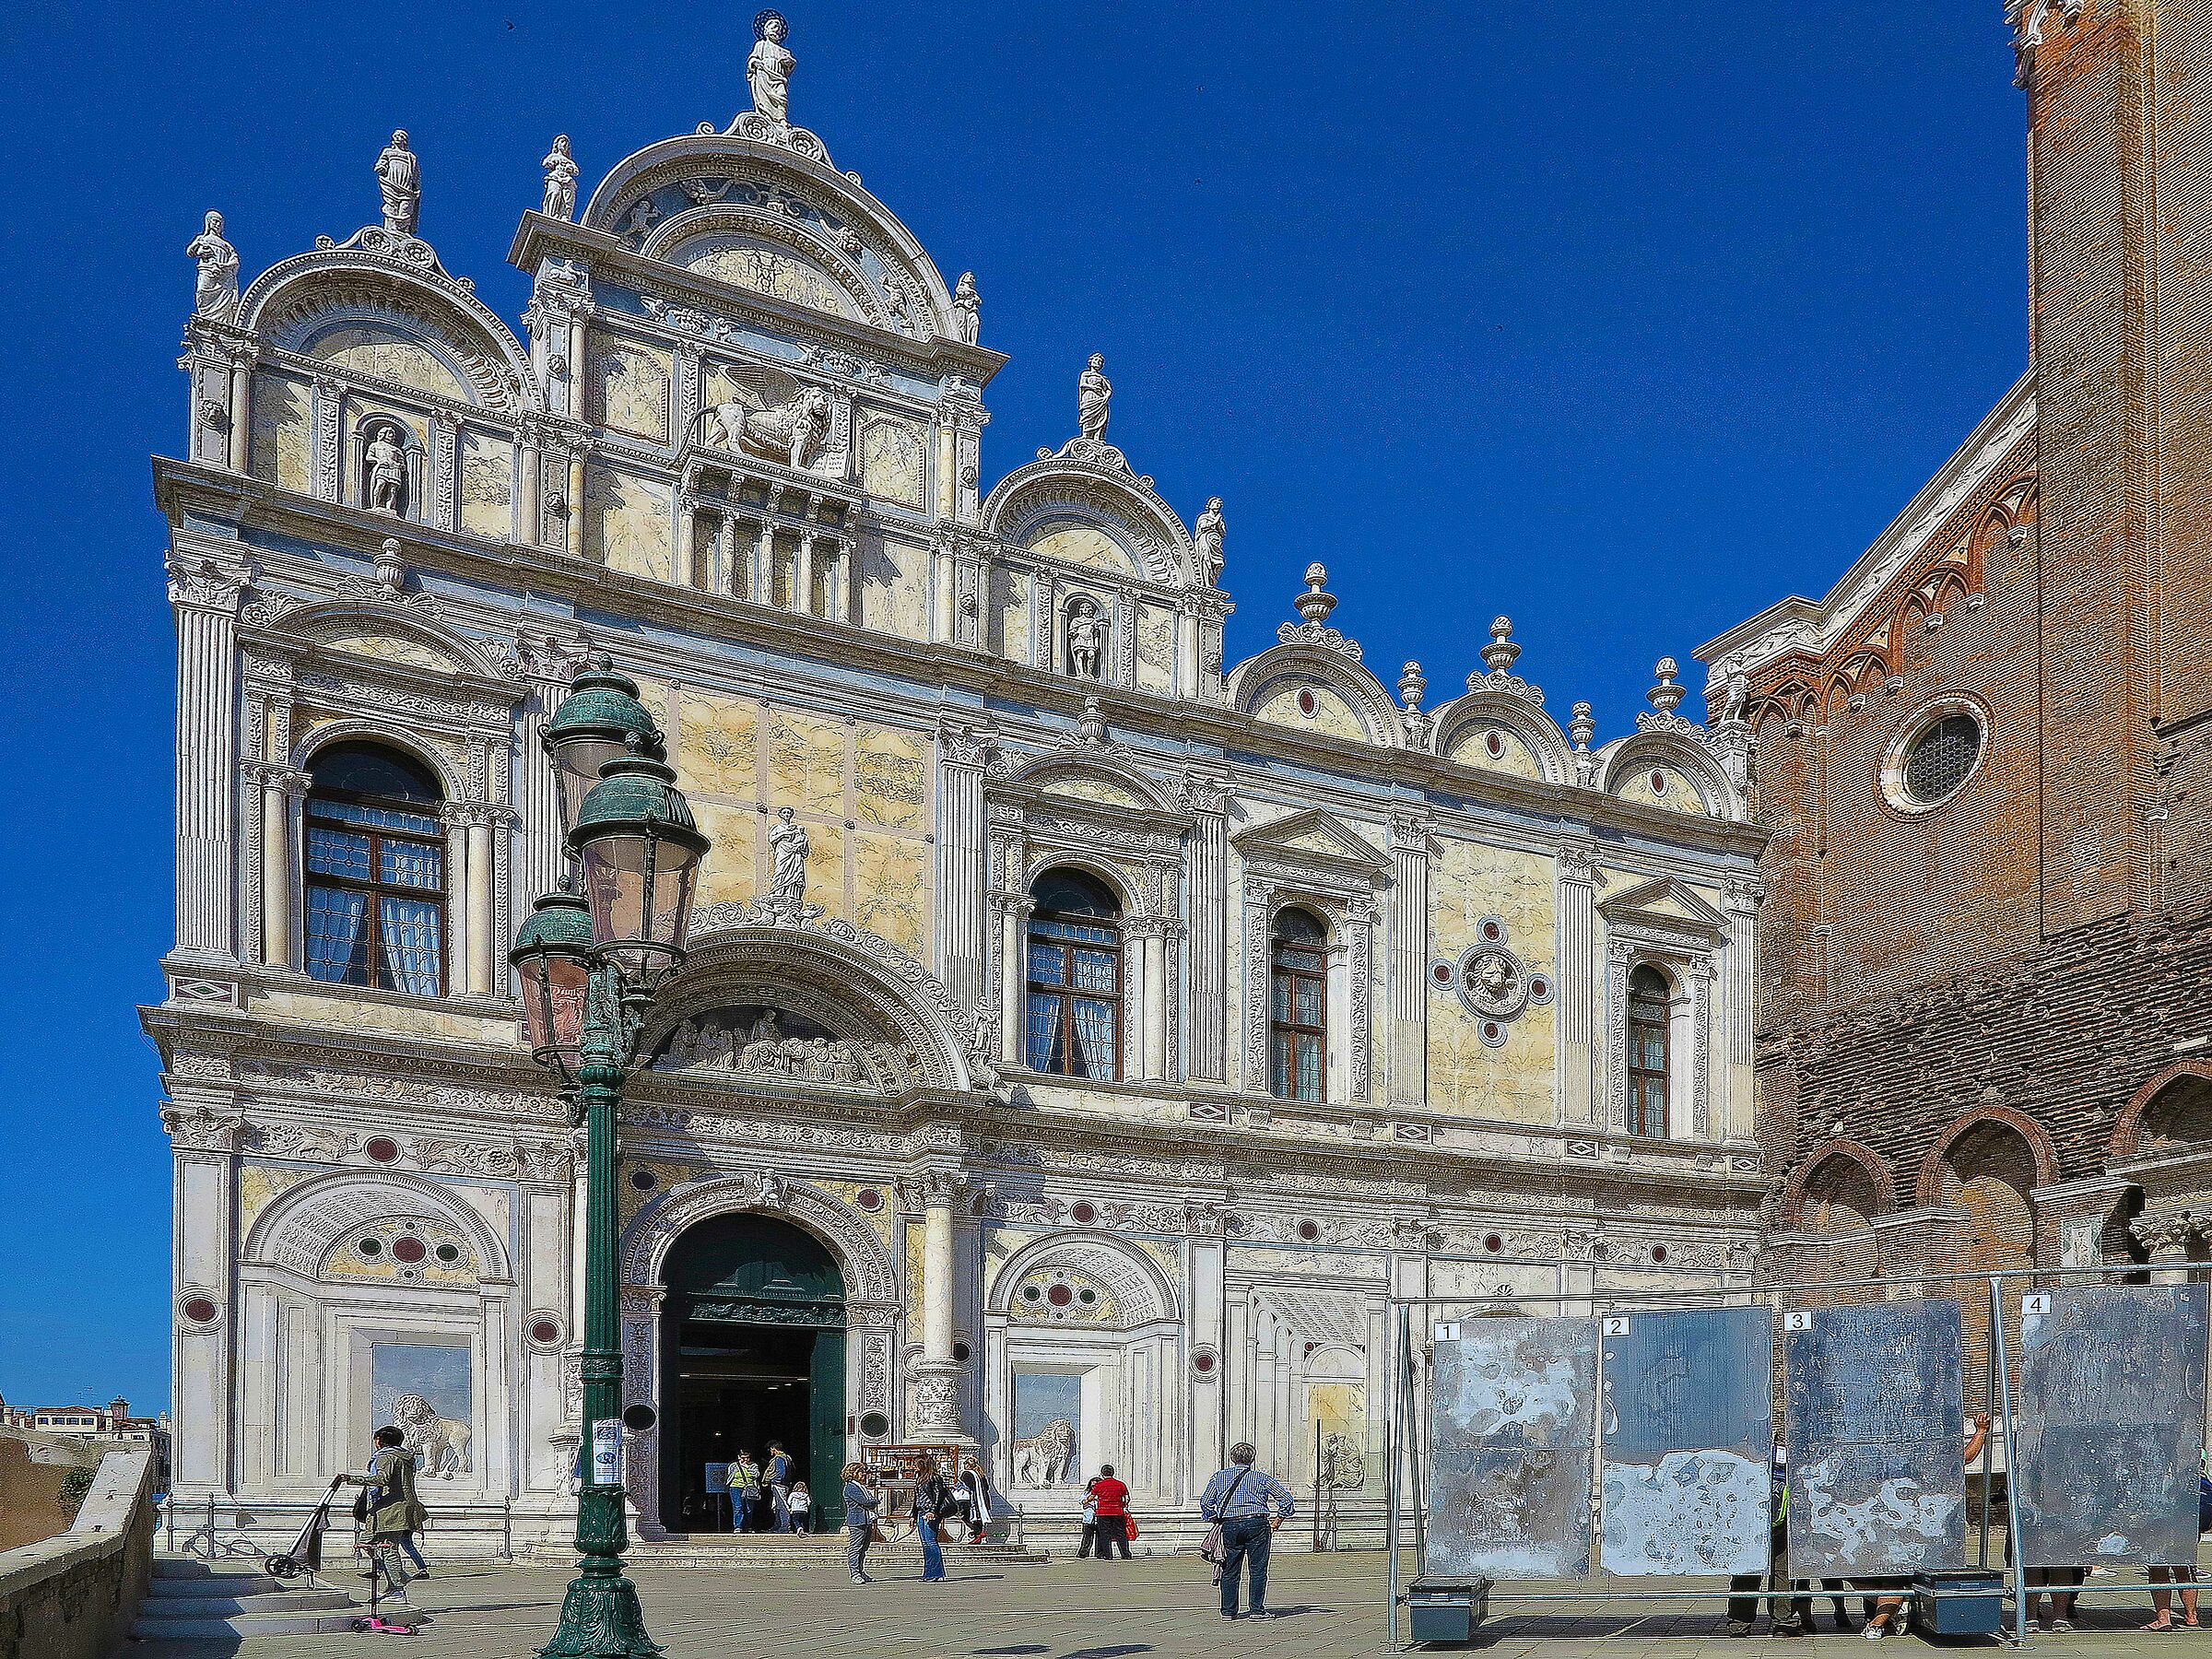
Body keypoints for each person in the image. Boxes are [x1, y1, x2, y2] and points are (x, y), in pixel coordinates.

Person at [1864, 1413, 1991, 1640]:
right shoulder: (1889, 1455)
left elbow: (1965, 1457)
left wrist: (1980, 1431)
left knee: (1897, 1579)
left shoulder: (1935, 1455)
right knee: (1865, 1576)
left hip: (1929, 1529)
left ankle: (1878, 1621)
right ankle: (1895, 1607)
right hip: (1892, 1527)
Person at [1200, 1441, 1296, 1620]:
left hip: (1230, 1525)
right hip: (1257, 1524)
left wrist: (1214, 1518)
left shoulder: (1219, 1477)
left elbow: (1205, 1502)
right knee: (1258, 1569)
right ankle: (1256, 1610)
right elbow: (1286, 1499)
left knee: (1229, 1568)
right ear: (1252, 1459)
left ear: (1232, 1458)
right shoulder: (1262, 1478)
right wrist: (1278, 1519)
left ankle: (1228, 1611)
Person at [341, 1426, 428, 1603]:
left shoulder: (386, 1457)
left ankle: (397, 1587)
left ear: (380, 1440)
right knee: (374, 1544)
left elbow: (382, 1479)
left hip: (390, 1509)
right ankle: (395, 1579)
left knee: (386, 1548)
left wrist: (352, 1479)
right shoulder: (406, 1457)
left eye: (376, 1439)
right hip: (400, 1507)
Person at [915, 1466, 956, 1583]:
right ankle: (928, 1573)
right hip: (921, 1511)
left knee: (930, 1541)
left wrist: (933, 1510)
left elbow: (939, 1496)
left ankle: (936, 1573)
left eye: (917, 1464)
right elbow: (917, 1498)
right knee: (925, 1543)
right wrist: (913, 1515)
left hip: (930, 1512)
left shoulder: (934, 1478)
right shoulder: (919, 1478)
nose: (914, 1466)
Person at [842, 1462, 880, 1584]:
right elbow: (866, 1501)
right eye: (861, 1472)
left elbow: (869, 1501)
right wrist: (873, 1500)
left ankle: (861, 1570)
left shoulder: (861, 1486)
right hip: (857, 1521)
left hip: (866, 1519)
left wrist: (872, 1501)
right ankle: (854, 1573)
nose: (864, 1474)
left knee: (863, 1548)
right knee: (856, 1547)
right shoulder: (851, 1487)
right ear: (853, 1473)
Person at [1088, 1464, 1132, 1560]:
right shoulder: (1121, 1484)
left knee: (1105, 1534)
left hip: (1103, 1512)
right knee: (1120, 1534)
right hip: (1117, 1512)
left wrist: (1086, 1501)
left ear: (1102, 1474)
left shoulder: (1099, 1485)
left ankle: (1108, 1555)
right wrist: (1123, 1505)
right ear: (1113, 1473)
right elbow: (1127, 1498)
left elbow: (1091, 1497)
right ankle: (1125, 1554)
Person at [764, 1441, 794, 1532]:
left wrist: (772, 1480)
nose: (770, 1451)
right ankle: (777, 1526)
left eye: (770, 1449)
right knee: (776, 1506)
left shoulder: (779, 1459)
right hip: (784, 1484)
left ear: (774, 1449)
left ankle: (785, 1527)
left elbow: (781, 1472)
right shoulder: (787, 1457)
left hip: (779, 1485)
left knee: (782, 1506)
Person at [731, 1451, 762, 1533]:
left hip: (749, 1488)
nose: (745, 1460)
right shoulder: (734, 1465)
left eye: (747, 1458)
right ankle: (738, 1526)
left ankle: (748, 1526)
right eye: (743, 1458)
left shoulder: (753, 1465)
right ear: (739, 1457)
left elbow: (756, 1474)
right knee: (738, 1507)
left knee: (749, 1508)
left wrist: (747, 1467)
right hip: (735, 1487)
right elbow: (729, 1475)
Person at [1077, 1486, 1099, 1557]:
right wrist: (1089, 1500)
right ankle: (1083, 1553)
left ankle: (1099, 1553)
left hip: (1100, 1517)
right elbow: (1081, 1501)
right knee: (1087, 1537)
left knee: (1100, 1537)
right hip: (1088, 1518)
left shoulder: (1102, 1493)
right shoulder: (1086, 1493)